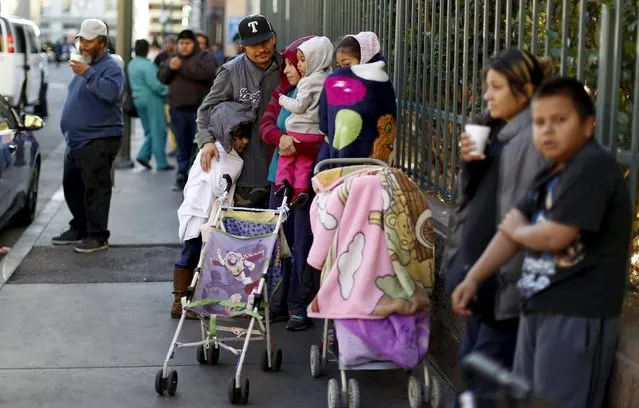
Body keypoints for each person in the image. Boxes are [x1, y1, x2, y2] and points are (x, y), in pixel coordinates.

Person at [452, 77, 630, 408]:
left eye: (559, 120)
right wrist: (474, 277)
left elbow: (555, 235)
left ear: (588, 125)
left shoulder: (592, 167)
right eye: (539, 122)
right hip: (537, 306)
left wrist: (520, 231)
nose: (547, 130)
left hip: (576, 315)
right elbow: (508, 232)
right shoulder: (552, 172)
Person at [445, 49, 550, 406]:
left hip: (504, 289)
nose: (487, 95)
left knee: (482, 390)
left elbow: (520, 219)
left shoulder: (532, 141)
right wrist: (470, 165)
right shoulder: (491, 127)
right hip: (481, 281)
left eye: (496, 87)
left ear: (525, 91)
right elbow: (471, 203)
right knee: (472, 379)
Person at [260, 35, 317, 330]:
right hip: (278, 177)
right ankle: (276, 302)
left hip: (306, 182)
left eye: (292, 64)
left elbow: (326, 136)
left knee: (303, 244)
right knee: (277, 242)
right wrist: (280, 138)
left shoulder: (320, 93)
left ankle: (300, 305)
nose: (287, 70)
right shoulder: (283, 92)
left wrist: (299, 146)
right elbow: (266, 125)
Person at [195, 14, 282, 209]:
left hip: (283, 169)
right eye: (253, 45)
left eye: (265, 41)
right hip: (246, 172)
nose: (261, 49)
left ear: (274, 38)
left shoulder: (288, 67)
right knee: (244, 232)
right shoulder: (230, 72)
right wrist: (206, 141)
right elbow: (206, 110)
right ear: (243, 46)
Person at [53, 19, 124, 253]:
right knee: (73, 186)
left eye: (88, 40)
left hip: (99, 138)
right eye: (81, 39)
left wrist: (88, 73)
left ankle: (98, 235)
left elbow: (112, 93)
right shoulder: (86, 64)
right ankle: (80, 227)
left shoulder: (110, 65)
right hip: (78, 139)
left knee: (96, 187)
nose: (83, 45)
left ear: (102, 43)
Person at [172, 117, 251, 319]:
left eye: (247, 138)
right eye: (240, 137)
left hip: (202, 212)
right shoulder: (221, 154)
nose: (245, 142)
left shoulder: (220, 154)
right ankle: (180, 304)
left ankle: (187, 303)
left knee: (196, 256)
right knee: (192, 255)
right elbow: (218, 185)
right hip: (202, 213)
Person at [317, 32, 398, 164]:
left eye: (347, 65)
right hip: (375, 163)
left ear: (365, 58)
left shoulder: (380, 84)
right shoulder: (384, 80)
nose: (342, 71)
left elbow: (324, 124)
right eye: (339, 66)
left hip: (368, 154)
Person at [276, 36, 333, 207]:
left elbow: (299, 106)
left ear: (316, 59)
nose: (298, 65)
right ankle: (300, 191)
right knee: (304, 164)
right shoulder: (328, 77)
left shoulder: (307, 82)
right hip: (317, 134)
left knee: (286, 158)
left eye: (302, 60)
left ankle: (282, 184)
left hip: (299, 130)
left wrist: (283, 100)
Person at [158, 29, 218, 191]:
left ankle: (198, 177)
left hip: (200, 111)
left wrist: (181, 67)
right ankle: (181, 174)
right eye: (181, 43)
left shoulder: (204, 57)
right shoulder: (174, 58)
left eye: (187, 43)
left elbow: (207, 73)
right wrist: (170, 68)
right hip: (177, 110)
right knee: (182, 144)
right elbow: (162, 77)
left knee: (199, 145)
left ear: (194, 44)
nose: (184, 47)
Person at [128, 39, 172, 171]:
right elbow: (156, 85)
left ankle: (145, 156)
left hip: (137, 99)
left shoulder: (132, 64)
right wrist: (170, 91)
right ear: (147, 50)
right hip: (152, 99)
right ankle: (160, 162)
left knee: (149, 131)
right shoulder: (148, 66)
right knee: (158, 130)